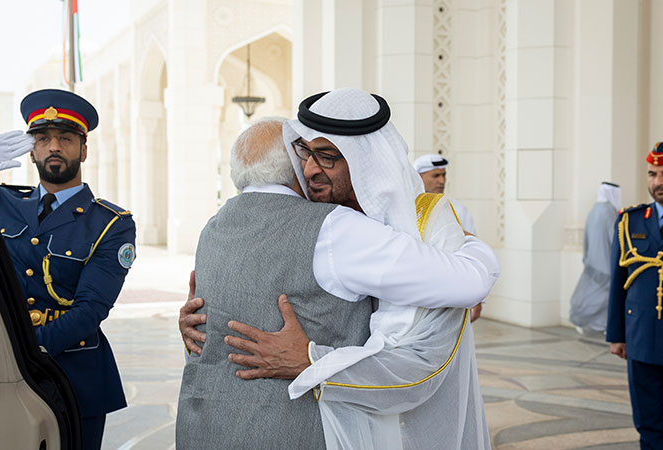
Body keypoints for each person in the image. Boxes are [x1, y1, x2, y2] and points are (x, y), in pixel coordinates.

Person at [180, 90, 499, 449]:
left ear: (365, 161)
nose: (310, 168)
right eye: (305, 152)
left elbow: (470, 286)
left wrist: (468, 243)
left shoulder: (408, 225)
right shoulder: (330, 224)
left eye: (328, 157)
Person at [0, 88, 135, 450]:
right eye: (43, 139)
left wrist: (21, 353)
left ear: (83, 150)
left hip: (73, 373)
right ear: (32, 150)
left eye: (65, 138)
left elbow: (90, 311)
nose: (53, 146)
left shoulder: (110, 223)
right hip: (3, 371)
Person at [607, 141, 663, 448]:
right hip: (642, 344)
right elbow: (618, 281)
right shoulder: (631, 220)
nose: (658, 182)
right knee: (648, 427)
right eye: (652, 174)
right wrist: (617, 334)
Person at [413, 153, 483, 321]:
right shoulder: (406, 209)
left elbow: (471, 253)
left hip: (454, 296)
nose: (442, 181)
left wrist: (478, 297)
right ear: (418, 177)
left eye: (444, 175)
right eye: (436, 175)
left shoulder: (458, 210)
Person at [569, 181, 621, 334]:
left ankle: (597, 324)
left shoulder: (594, 210)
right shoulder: (608, 211)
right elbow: (615, 239)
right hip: (605, 262)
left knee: (594, 294)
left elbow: (585, 239)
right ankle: (582, 319)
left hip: (592, 261)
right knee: (603, 295)